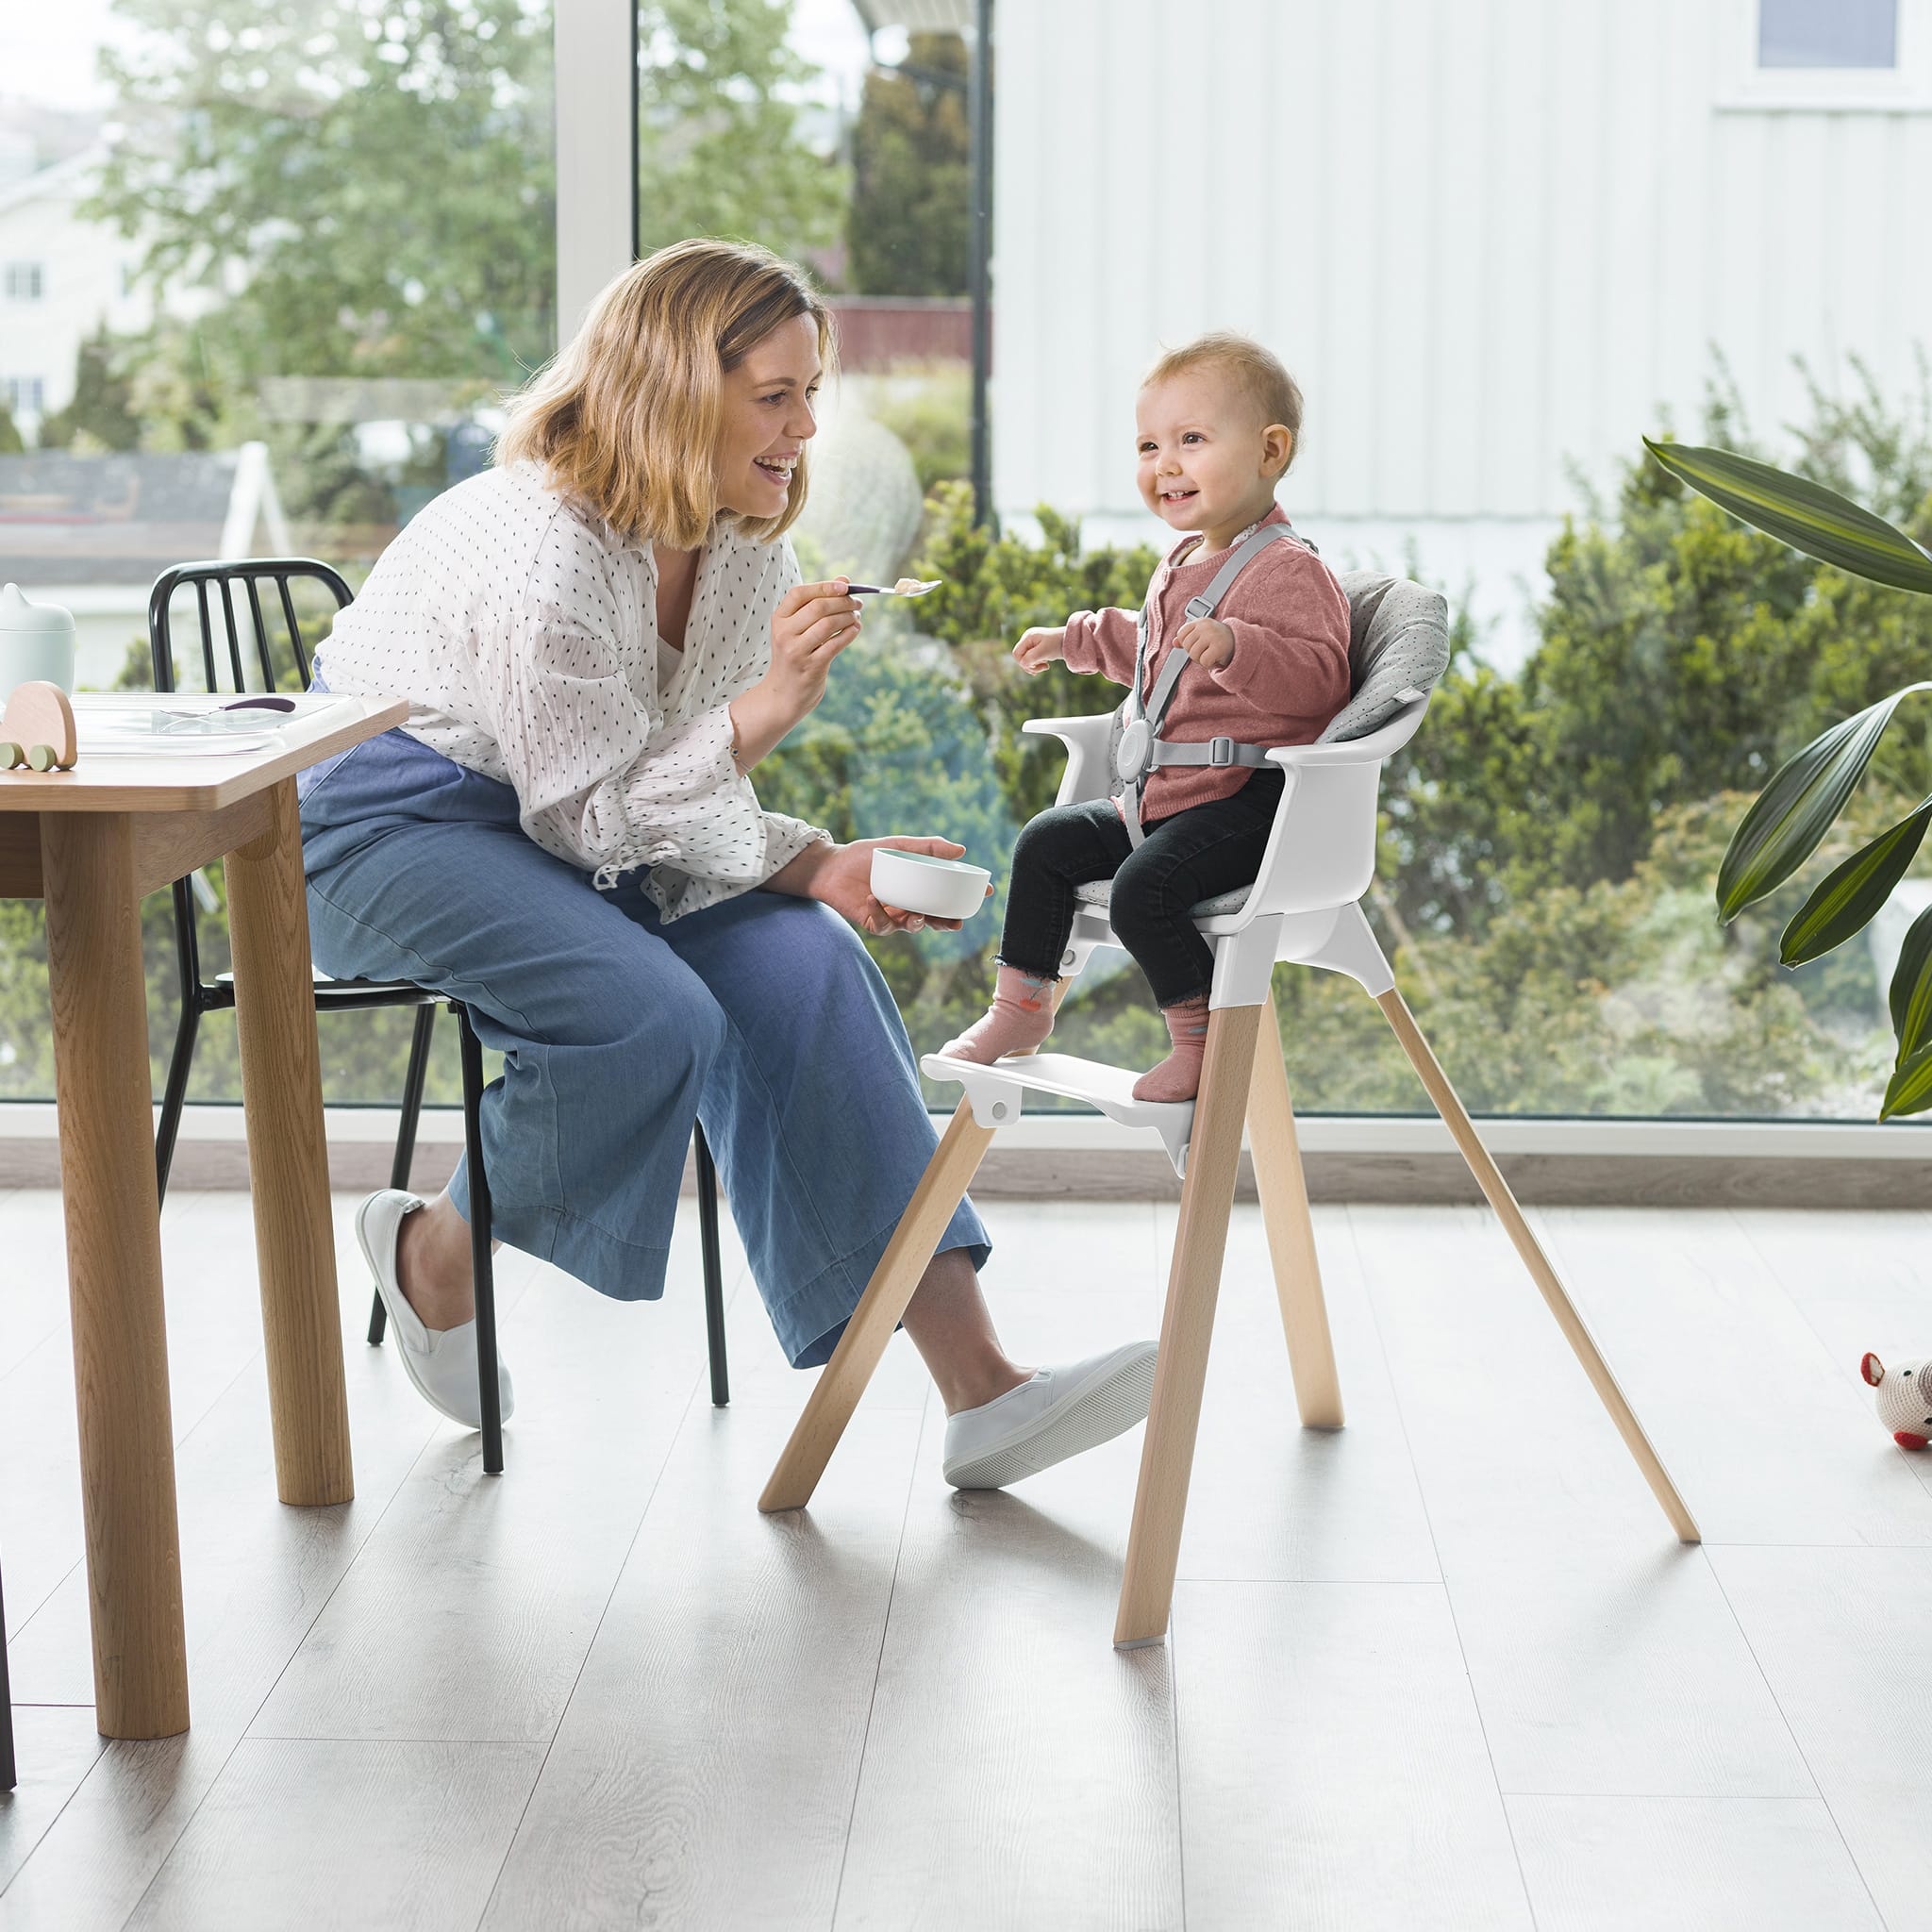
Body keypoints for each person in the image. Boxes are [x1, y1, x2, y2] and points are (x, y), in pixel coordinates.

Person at [300, 239, 1157, 1489]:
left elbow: (658, 791)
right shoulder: (542, 552)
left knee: (808, 965)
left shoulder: (747, 545)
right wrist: (766, 709)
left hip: (573, 826)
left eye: (812, 394)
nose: (806, 426)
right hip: (398, 826)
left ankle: (983, 1392)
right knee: (647, 1015)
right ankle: (435, 1255)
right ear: (671, 391)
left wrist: (811, 869)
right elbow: (597, 824)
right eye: (775, 395)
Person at [940, 334, 1352, 1102]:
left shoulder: (1289, 570)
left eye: (1192, 440)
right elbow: (1155, 651)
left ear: (1269, 451)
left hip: (1247, 803)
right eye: (1149, 445)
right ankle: (1020, 1008)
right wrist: (1078, 640)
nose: (1165, 463)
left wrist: (1239, 646)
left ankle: (1198, 1040)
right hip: (1163, 800)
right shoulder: (1186, 559)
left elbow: (1324, 681)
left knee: (1141, 890)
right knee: (1046, 843)